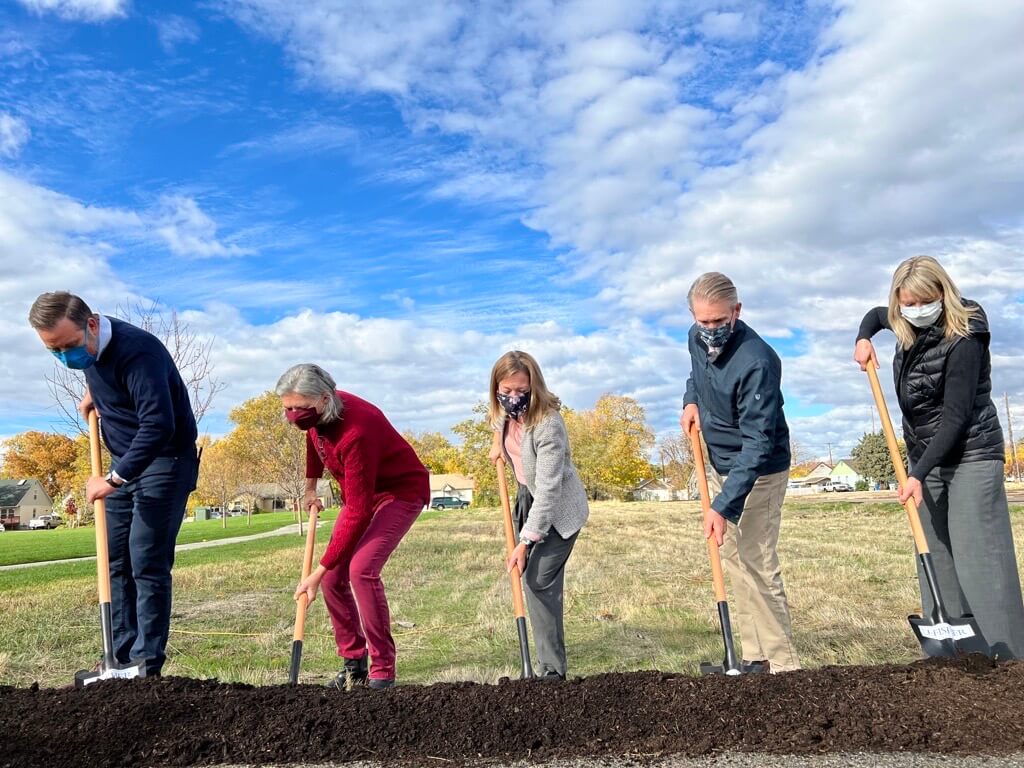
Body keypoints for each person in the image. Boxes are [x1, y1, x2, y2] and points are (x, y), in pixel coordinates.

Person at [855, 255, 1024, 658]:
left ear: (942, 294)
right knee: (934, 552)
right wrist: (863, 337)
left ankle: (1011, 658)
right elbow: (876, 316)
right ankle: (954, 653)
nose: (915, 310)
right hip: (925, 456)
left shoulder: (966, 334)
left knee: (979, 556)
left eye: (923, 301)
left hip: (970, 453)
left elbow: (956, 417)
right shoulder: (901, 319)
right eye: (906, 303)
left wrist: (917, 473)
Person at [28, 291, 199, 676]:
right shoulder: (90, 351)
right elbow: (109, 375)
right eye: (53, 351)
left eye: (67, 347)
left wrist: (113, 478)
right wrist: (96, 394)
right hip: (125, 459)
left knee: (146, 559)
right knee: (114, 559)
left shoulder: (139, 351)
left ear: (92, 323)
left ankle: (145, 662)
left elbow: (159, 424)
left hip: (165, 459)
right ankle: (118, 659)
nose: (64, 357)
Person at [679, 272, 800, 673]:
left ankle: (784, 666)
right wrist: (691, 401)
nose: (710, 330)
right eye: (703, 321)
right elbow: (697, 376)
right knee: (733, 559)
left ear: (737, 311)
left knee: (757, 561)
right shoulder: (696, 339)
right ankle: (753, 658)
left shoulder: (757, 361)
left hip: (761, 470)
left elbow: (758, 443)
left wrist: (723, 506)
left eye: (719, 321)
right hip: (721, 462)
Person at [280, 363, 429, 689]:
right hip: (361, 492)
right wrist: (310, 487)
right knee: (335, 576)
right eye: (288, 408)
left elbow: (359, 511)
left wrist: (315, 574)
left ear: (322, 399)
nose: (293, 415)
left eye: (299, 408)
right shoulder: (318, 416)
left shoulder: (356, 431)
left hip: (398, 492)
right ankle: (353, 663)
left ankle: (383, 669)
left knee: (361, 569)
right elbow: (313, 439)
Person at [487, 351, 589, 680]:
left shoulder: (548, 424)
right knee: (531, 579)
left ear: (534, 387)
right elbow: (500, 421)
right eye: (507, 391)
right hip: (524, 497)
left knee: (537, 581)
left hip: (557, 509)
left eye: (521, 391)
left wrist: (525, 542)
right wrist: (496, 445)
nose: (513, 398)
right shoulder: (504, 413)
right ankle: (545, 663)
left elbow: (548, 491)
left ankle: (552, 670)